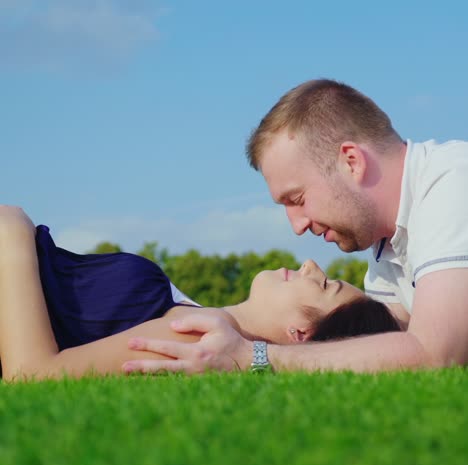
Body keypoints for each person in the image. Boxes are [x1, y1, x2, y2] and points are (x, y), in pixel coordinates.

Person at [124, 78, 468, 374]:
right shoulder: (387, 248)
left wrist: (253, 356)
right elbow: (385, 348)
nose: (298, 226)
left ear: (351, 161)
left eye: (298, 199)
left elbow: (434, 352)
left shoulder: (452, 180)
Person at [0, 205, 399, 381]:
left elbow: (34, 374)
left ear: (300, 333)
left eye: (325, 286)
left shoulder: (199, 334)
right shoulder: (194, 315)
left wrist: (13, 232)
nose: (312, 266)